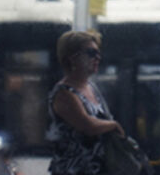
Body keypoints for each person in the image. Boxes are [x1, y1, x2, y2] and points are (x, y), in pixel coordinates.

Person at [47, 30, 124, 175]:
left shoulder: (92, 87)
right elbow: (87, 125)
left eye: (98, 53)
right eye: (91, 53)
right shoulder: (64, 93)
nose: (97, 57)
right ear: (72, 58)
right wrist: (113, 125)